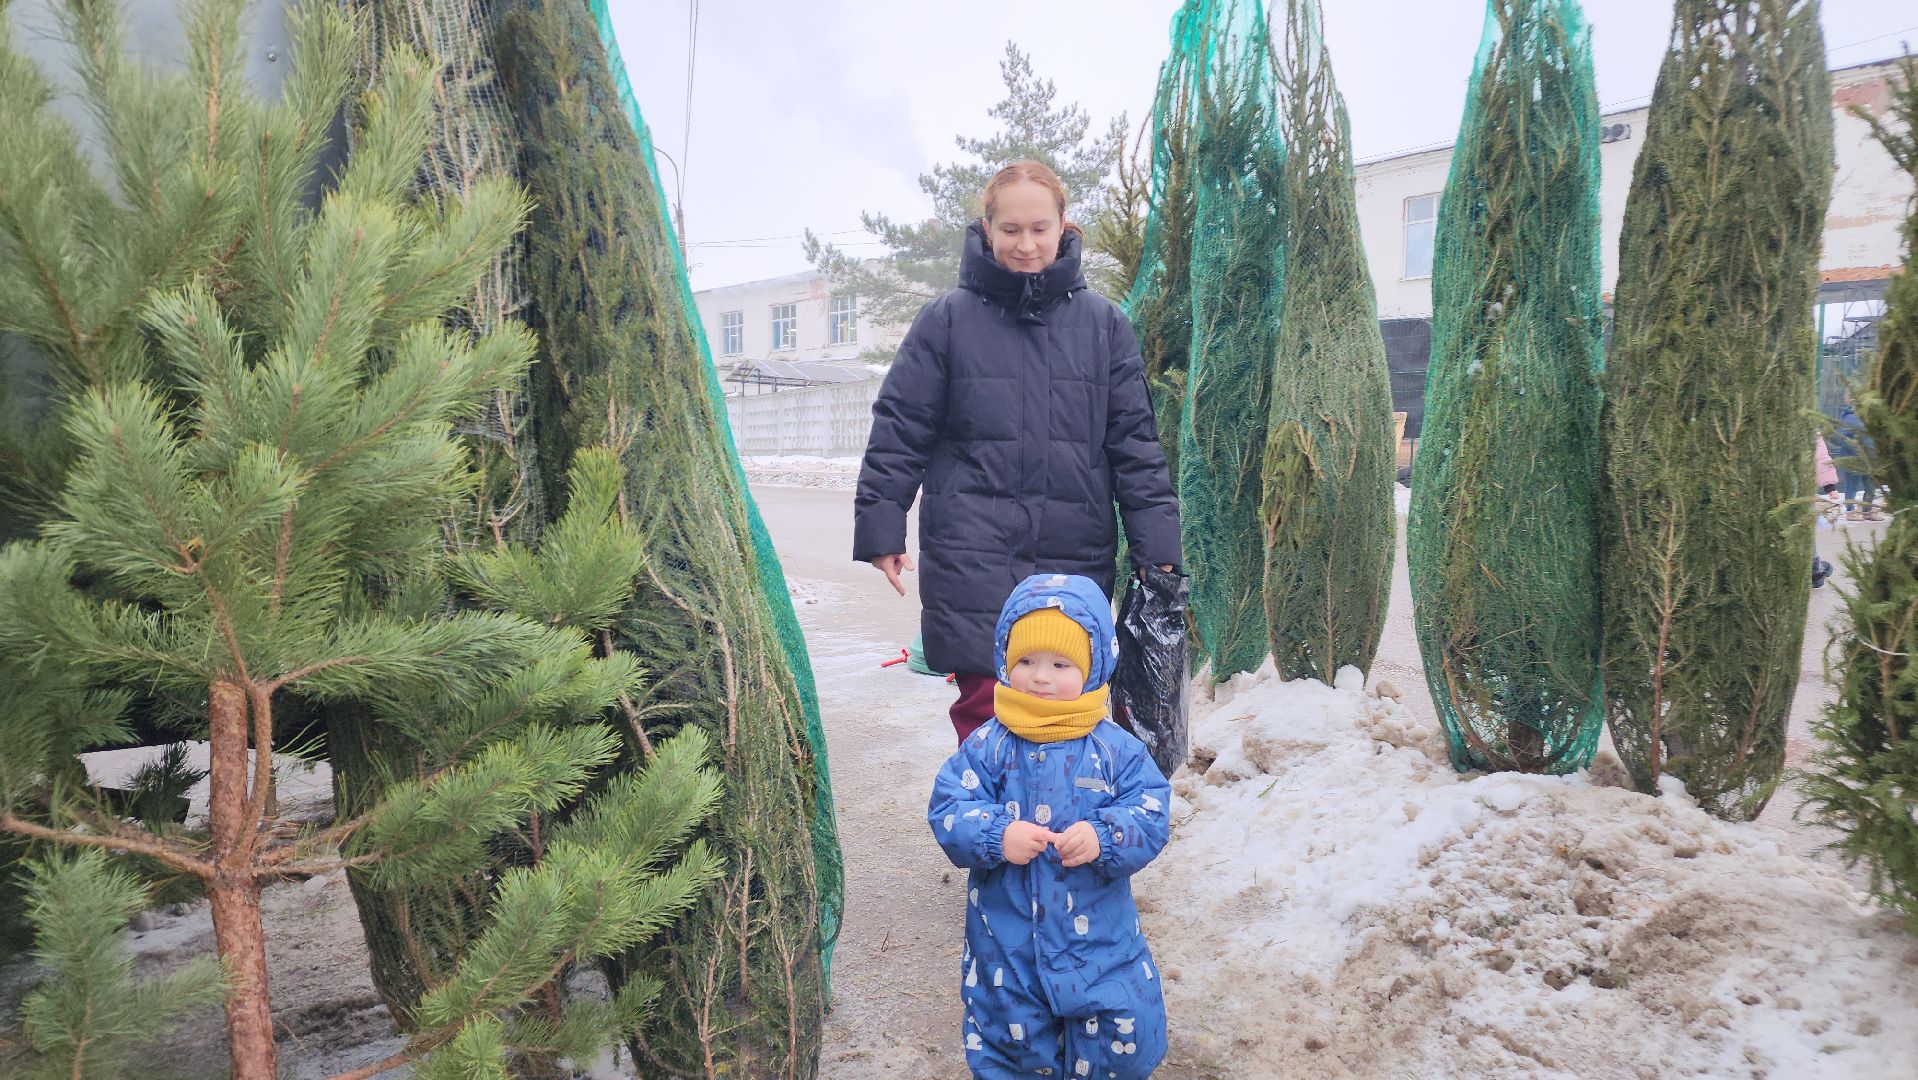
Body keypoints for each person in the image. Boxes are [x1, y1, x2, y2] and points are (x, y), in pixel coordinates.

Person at [854, 160, 1181, 744]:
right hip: (972, 549)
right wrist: (882, 528)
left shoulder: (1105, 327)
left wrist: (1157, 550)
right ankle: (992, 832)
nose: (1026, 245)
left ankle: (1061, 833)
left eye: (1039, 228)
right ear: (986, 228)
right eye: (1010, 230)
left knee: (1069, 710)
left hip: (1072, 554)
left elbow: (1136, 448)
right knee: (988, 710)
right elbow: (900, 429)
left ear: (1063, 226)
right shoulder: (945, 321)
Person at [928, 573, 1170, 1080]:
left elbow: (1150, 811)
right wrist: (995, 835)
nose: (1041, 677)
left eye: (1061, 665)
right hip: (1006, 943)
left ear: (1092, 667)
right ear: (1004, 662)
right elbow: (950, 805)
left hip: (1100, 938)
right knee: (1011, 1038)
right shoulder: (989, 744)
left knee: (1117, 1032)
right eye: (1026, 662)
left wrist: (1106, 836)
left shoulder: (1116, 749)